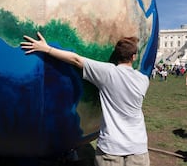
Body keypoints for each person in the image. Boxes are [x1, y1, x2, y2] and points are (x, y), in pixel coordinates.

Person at [20, 32, 150, 166]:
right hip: (138, 147)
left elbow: (76, 60)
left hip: (111, 148)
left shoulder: (107, 73)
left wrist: (46, 49)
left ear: (117, 55)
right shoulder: (143, 80)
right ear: (133, 57)